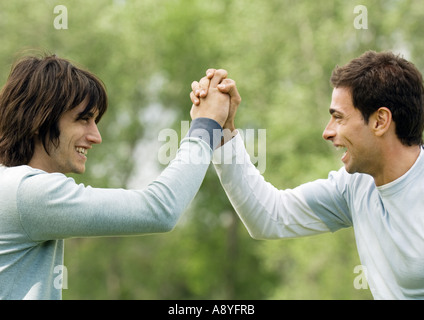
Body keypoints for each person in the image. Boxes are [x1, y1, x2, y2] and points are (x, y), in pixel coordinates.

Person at [190, 50, 424, 299]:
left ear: (380, 121)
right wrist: (223, 130)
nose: (327, 132)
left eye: (338, 118)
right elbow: (270, 216)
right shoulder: (355, 186)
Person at [0, 54, 233, 299]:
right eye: (83, 119)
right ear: (39, 119)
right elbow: (161, 209)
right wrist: (206, 125)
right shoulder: (26, 193)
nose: (96, 136)